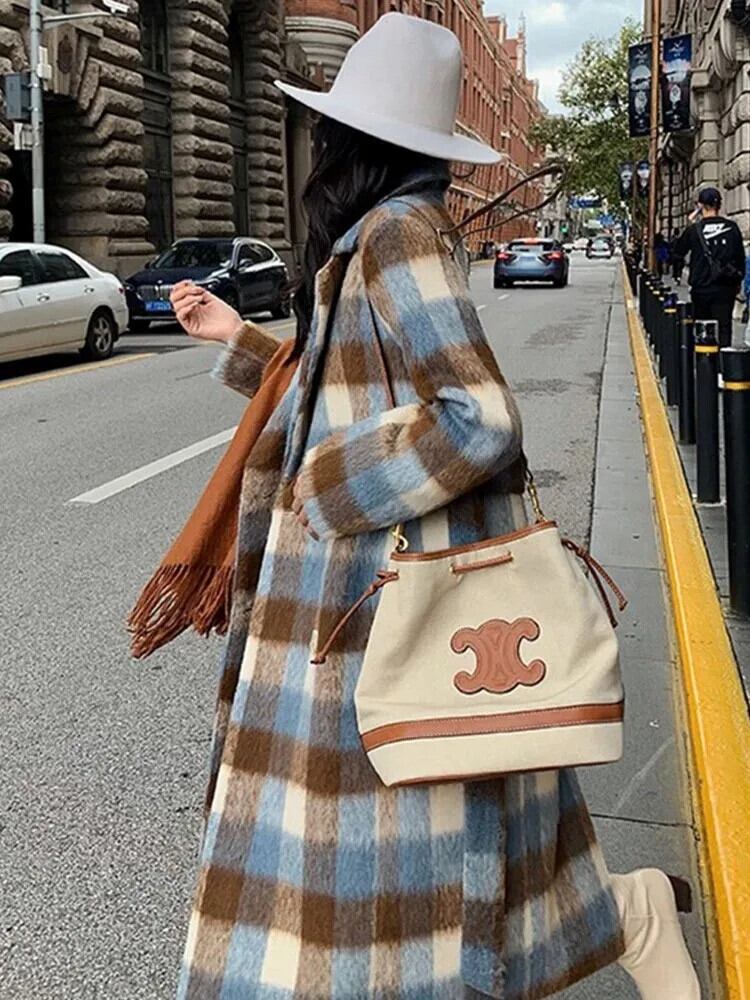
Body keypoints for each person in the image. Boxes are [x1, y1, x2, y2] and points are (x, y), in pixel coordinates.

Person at [168, 14, 700, 999]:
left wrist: (330, 485)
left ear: (347, 140)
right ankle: (626, 912)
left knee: (361, 885)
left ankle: (626, 913)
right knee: (398, 860)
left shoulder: (397, 233)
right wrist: (240, 342)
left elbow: (478, 417)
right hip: (349, 602)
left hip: (366, 601)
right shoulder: (371, 238)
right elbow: (342, 391)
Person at [673, 187, 745, 348]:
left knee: (702, 328)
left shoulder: (694, 230)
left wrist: (690, 224)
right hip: (725, 287)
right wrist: (737, 281)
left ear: (700, 206)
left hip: (701, 288)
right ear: (719, 205)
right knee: (724, 327)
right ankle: (724, 359)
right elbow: (739, 257)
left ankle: (704, 360)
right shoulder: (732, 227)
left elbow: (677, 252)